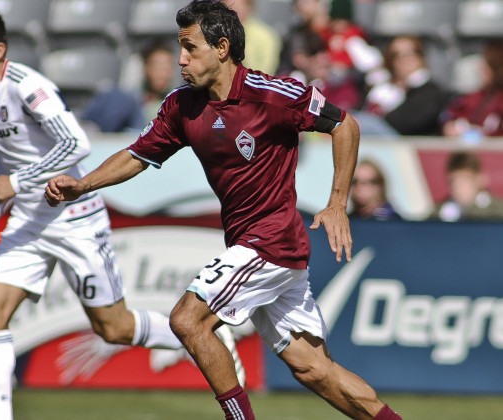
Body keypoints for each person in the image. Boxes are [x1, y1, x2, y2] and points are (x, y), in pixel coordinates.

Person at [46, 2, 401, 419]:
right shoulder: (181, 106)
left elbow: (345, 125)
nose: (181, 59)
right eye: (179, 48)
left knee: (188, 320)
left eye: (189, 48)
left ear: (221, 47)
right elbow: (137, 155)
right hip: (255, 245)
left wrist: (337, 203)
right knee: (314, 369)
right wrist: (83, 184)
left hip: (271, 240)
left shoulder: (272, 95)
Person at [0, 8, 244, 420]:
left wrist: (16, 186)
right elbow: (8, 159)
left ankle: (207, 337)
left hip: (75, 218)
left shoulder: (27, 87)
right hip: (29, 222)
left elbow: (76, 145)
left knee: (114, 328)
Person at [355, 36, 449, 137]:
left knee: (360, 123)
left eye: (410, 53)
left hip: (404, 142)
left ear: (421, 56)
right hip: (377, 137)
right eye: (396, 54)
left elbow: (409, 123)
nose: (403, 59)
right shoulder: (383, 86)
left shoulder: (429, 90)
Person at [81, 38, 176, 132]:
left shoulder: (175, 102)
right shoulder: (132, 98)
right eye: (157, 67)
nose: (163, 74)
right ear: (146, 68)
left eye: (167, 68)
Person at [442, 38, 503, 139]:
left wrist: (487, 135)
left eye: (486, 65)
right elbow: (451, 118)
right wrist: (451, 126)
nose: (481, 69)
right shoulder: (473, 97)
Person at [432, 151, 503, 221]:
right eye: (453, 182)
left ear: (481, 179)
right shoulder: (438, 213)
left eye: (465, 180)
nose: (458, 188)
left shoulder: (498, 210)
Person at [222, 0, 281, 75]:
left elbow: (266, 71)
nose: (232, 12)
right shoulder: (216, 33)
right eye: (228, 8)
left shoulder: (266, 36)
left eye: (237, 7)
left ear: (249, 7)